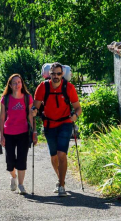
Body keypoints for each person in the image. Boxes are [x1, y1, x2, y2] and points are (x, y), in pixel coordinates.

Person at [32, 62, 82, 197]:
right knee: (53, 156)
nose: (55, 76)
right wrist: (34, 111)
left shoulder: (69, 87)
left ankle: (62, 185)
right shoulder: (43, 87)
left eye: (58, 74)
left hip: (65, 123)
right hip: (49, 124)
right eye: (53, 73)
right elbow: (35, 106)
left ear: (62, 75)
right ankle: (61, 180)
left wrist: (75, 116)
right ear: (49, 74)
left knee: (61, 154)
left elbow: (78, 108)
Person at [0, 73, 37, 195]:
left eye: (19, 82)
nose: (17, 85)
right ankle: (13, 176)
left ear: (22, 84)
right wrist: (1, 135)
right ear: (10, 85)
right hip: (8, 132)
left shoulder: (27, 98)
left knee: (22, 159)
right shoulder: (6, 99)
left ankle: (21, 185)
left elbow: (31, 116)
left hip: (23, 133)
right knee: (10, 161)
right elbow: (2, 117)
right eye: (14, 83)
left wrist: (34, 132)